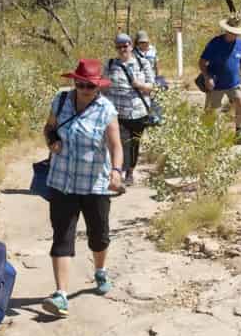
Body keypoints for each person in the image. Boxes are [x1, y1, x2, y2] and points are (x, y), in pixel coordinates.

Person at [41, 58, 125, 316]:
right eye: (80, 84)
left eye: (89, 86)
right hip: (62, 181)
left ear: (97, 86)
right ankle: (61, 294)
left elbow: (115, 146)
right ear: (74, 82)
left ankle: (100, 271)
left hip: (94, 184)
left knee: (98, 235)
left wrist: (116, 171)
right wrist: (52, 140)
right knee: (62, 236)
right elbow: (49, 127)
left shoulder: (106, 109)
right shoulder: (61, 100)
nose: (84, 89)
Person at [106, 31, 156, 185]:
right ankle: (117, 172)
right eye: (119, 46)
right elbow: (103, 86)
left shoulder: (143, 63)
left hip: (138, 112)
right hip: (117, 113)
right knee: (118, 143)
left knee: (134, 144)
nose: (123, 49)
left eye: (125, 45)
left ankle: (130, 172)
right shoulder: (110, 65)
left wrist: (140, 85)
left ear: (131, 45)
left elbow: (152, 86)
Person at [199, 17, 241, 139]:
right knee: (212, 113)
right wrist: (207, 78)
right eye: (233, 32)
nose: (235, 35)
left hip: (234, 83)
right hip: (216, 84)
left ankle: (239, 133)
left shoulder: (240, 44)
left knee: (240, 102)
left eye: (237, 32)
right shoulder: (215, 43)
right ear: (227, 30)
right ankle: (210, 138)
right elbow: (202, 62)